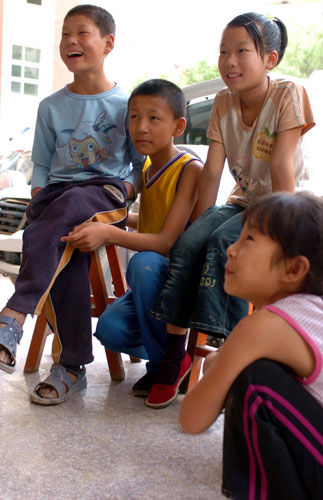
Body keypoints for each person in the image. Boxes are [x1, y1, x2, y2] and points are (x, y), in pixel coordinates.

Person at [146, 12, 315, 409]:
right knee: (191, 243)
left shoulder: (288, 94)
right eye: (224, 51)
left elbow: (281, 167)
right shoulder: (223, 101)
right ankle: (176, 356)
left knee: (226, 242)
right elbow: (212, 171)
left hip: (285, 202)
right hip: (243, 200)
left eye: (242, 51)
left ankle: (230, 356)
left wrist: (281, 231)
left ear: (270, 59)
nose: (229, 61)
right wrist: (197, 225)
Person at [0, 5, 144, 404]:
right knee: (64, 240)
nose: (71, 41)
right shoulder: (50, 107)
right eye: (65, 34)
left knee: (74, 204)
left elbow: (137, 165)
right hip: (59, 195)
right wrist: (37, 207)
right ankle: (71, 367)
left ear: (108, 43)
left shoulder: (127, 104)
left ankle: (13, 314)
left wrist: (129, 191)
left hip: (105, 191)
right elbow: (43, 167)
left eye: (82, 33)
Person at [62, 78, 203, 398]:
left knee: (144, 263)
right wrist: (107, 221)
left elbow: (167, 241)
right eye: (134, 116)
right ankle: (166, 356)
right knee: (109, 329)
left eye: (154, 118)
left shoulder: (188, 168)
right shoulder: (149, 168)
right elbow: (153, 220)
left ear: (178, 125)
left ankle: (165, 364)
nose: (141, 127)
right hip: (148, 286)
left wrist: (109, 233)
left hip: (178, 285)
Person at [179, 191, 323, 500]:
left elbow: (191, 418)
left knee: (254, 383)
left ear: (294, 269)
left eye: (249, 240)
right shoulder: (310, 312)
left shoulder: (266, 326)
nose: (231, 249)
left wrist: (218, 363)